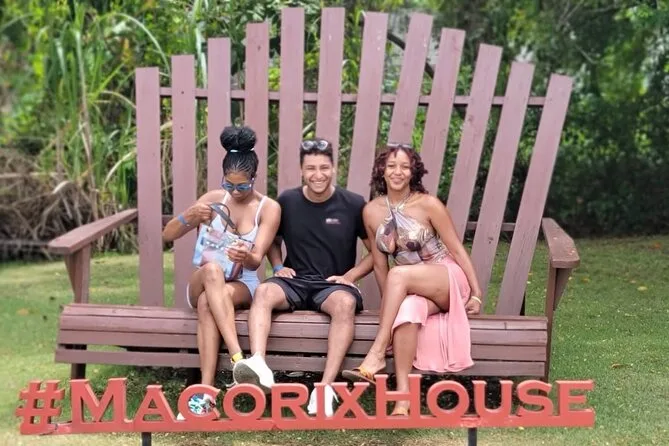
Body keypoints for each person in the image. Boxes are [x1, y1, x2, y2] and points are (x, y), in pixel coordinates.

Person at [232, 138, 374, 417]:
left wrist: (350, 275)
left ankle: (326, 387)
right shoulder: (287, 201)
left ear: (334, 168)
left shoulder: (353, 204)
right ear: (301, 170)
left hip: (332, 285)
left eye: (324, 167)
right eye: (311, 168)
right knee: (263, 292)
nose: (318, 174)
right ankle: (259, 364)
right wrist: (277, 266)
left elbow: (374, 253)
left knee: (345, 304)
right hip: (294, 281)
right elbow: (273, 240)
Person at [341, 143, 483, 416]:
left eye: (405, 167)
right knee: (406, 312)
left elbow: (456, 249)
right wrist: (391, 309)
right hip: (411, 286)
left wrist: (476, 293)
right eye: (391, 166)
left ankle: (377, 352)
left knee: (398, 273)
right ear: (381, 170)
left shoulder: (428, 204)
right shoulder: (371, 211)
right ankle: (403, 400)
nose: (398, 172)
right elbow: (379, 265)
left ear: (413, 172)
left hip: (447, 279)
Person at [162, 125, 281, 418]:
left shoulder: (268, 208)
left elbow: (256, 261)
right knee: (212, 271)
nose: (235, 192)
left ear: (254, 179)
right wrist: (188, 216)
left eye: (242, 186)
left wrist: (247, 255)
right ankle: (238, 358)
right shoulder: (213, 198)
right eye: (229, 185)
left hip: (242, 284)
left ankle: (205, 393)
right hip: (204, 279)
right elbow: (168, 234)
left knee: (208, 303)